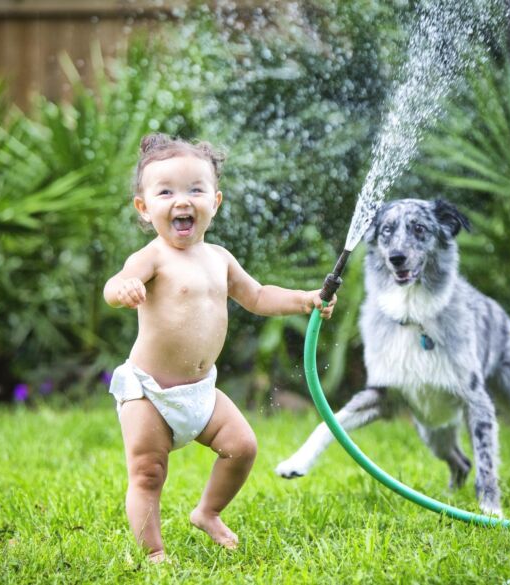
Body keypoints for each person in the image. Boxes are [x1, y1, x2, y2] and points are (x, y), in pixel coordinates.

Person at [103, 133, 336, 563]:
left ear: (216, 200)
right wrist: (125, 288)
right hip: (149, 393)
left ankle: (207, 511)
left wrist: (305, 299)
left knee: (242, 446)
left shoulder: (220, 258)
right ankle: (153, 552)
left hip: (201, 392)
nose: (182, 200)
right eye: (166, 191)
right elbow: (113, 285)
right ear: (144, 206)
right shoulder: (152, 257)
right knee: (148, 472)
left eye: (196, 189)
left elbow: (259, 296)